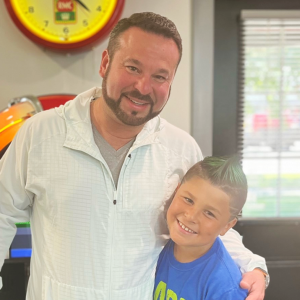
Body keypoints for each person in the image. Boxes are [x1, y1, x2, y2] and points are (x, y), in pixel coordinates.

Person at [0, 12, 268, 300]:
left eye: (160, 76)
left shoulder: (181, 149)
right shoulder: (40, 134)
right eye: (133, 68)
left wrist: (253, 265)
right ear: (105, 63)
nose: (143, 87)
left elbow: (205, 221)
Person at [154, 156, 249, 300]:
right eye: (188, 199)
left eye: (209, 213)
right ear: (176, 191)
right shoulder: (159, 249)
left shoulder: (225, 289)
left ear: (227, 226)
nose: (191, 216)